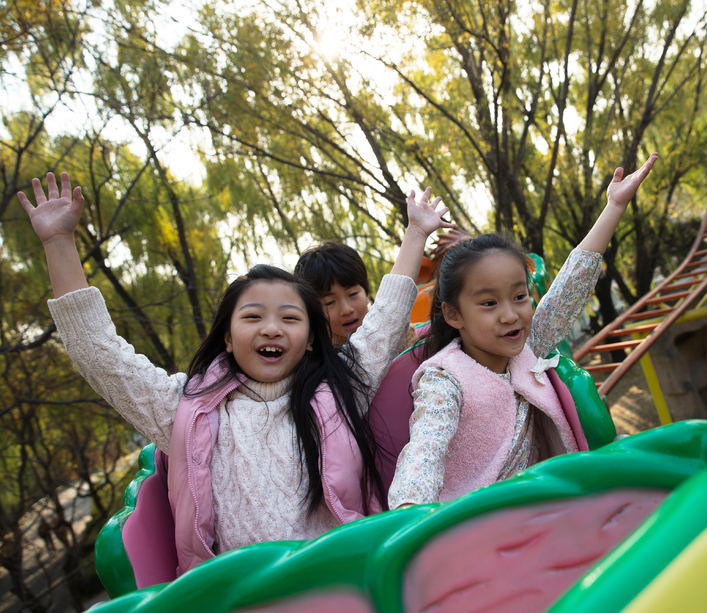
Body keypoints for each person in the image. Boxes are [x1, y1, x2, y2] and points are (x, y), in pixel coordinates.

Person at [19, 173, 453, 574]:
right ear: (227, 337)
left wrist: (416, 232)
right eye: (252, 316)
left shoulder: (340, 384)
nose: (271, 328)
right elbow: (102, 356)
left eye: (289, 317)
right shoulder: (184, 408)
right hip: (240, 592)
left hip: (341, 576)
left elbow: (388, 318)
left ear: (309, 337)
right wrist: (58, 241)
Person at [388, 154, 658, 508]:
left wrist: (614, 206)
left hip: (545, 503)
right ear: (453, 314)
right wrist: (411, 513)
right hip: (478, 523)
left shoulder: (528, 346)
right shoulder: (444, 378)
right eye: (489, 304)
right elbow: (425, 450)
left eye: (519, 296)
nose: (510, 315)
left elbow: (570, 287)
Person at [295, 242, 419, 352]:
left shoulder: (400, 333)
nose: (346, 310)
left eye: (353, 294)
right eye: (329, 302)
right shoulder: (319, 355)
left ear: (366, 293)